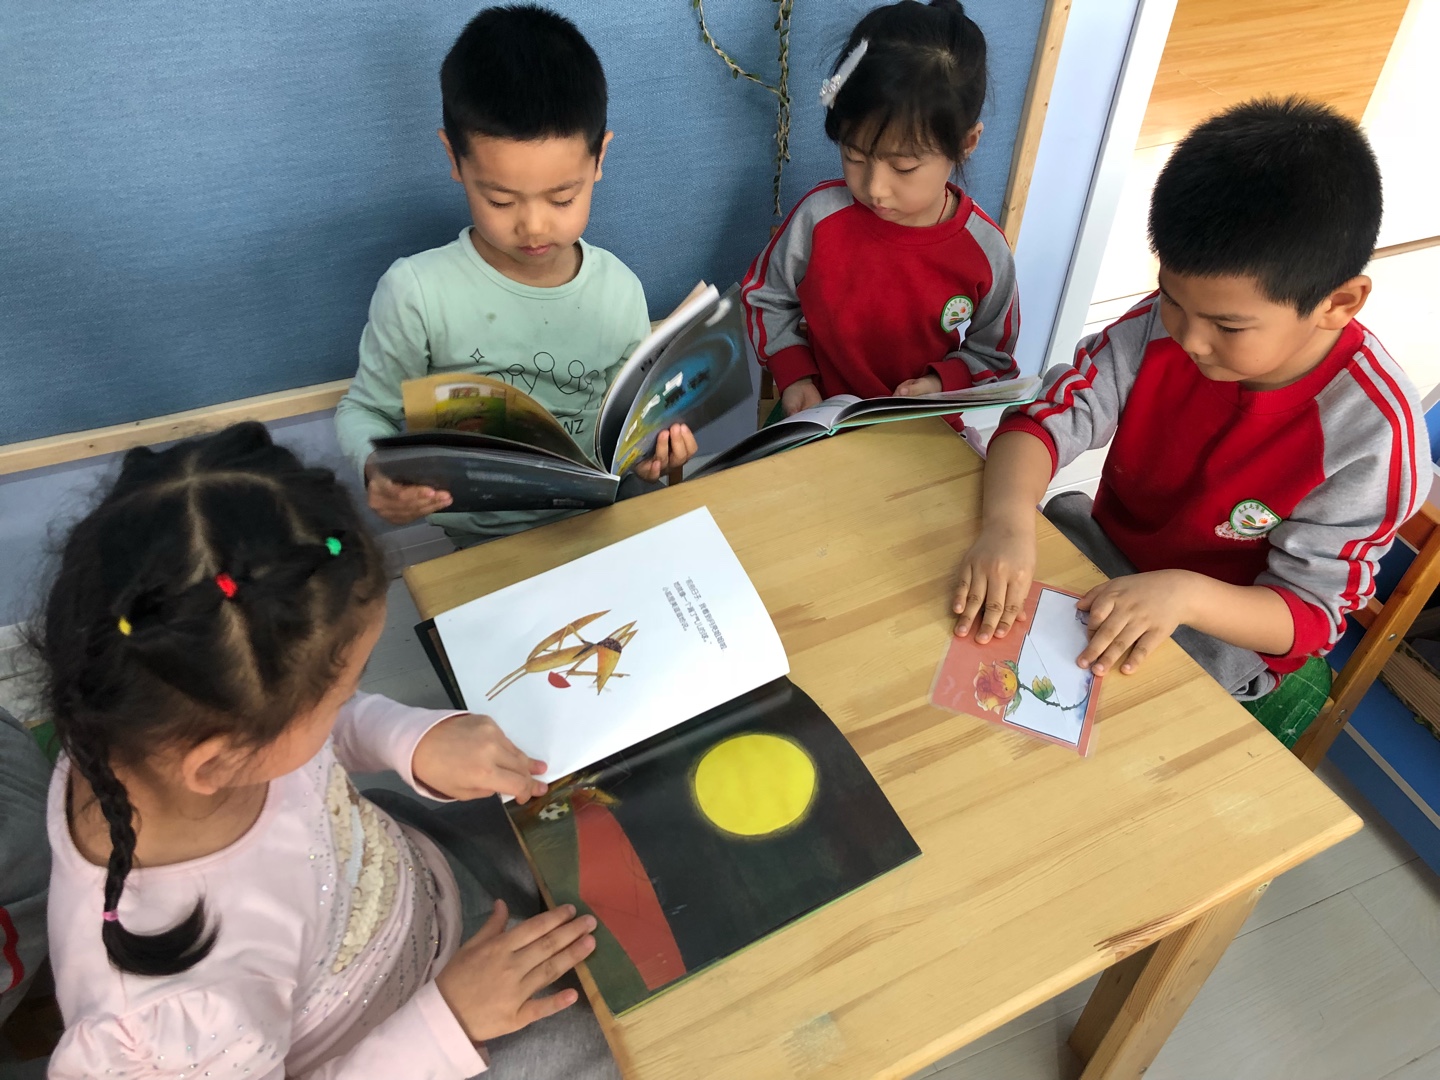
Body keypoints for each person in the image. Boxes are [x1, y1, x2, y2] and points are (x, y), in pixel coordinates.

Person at [39, 422, 618, 1078]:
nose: (350, 697)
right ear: (220, 762)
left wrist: (408, 738)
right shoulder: (159, 1020)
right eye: (343, 688)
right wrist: (448, 1021)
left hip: (419, 882)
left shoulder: (144, 712)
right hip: (414, 1045)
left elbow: (315, 729)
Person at [952, 97, 1427, 747]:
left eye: (1228, 326)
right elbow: (1043, 422)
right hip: (1106, 562)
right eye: (1173, 300)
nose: (1190, 339)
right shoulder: (1162, 325)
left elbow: (1309, 616)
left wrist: (1185, 596)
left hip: (1220, 635)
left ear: (1338, 303)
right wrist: (1008, 523)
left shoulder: (1372, 436)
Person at [335, 4, 695, 547]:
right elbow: (365, 409)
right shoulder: (417, 293)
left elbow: (627, 424)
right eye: (500, 200)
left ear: (599, 158)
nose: (534, 226)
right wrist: (375, 469)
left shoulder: (619, 289)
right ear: (454, 159)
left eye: (562, 197)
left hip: (604, 518)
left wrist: (654, 451)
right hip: (485, 538)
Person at [741, 0, 1020, 425]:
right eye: (853, 156)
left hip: (920, 431)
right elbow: (764, 297)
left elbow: (994, 355)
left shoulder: (986, 251)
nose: (874, 188)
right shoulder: (819, 218)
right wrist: (794, 373)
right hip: (816, 420)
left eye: (903, 166)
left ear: (966, 143)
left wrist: (943, 382)